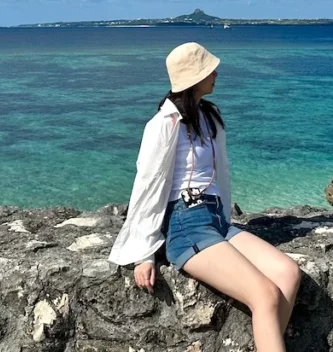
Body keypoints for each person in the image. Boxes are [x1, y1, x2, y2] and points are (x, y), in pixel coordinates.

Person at [108, 42, 302, 352]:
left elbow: (219, 173)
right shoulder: (163, 125)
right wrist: (144, 255)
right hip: (186, 226)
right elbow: (147, 185)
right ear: (193, 78)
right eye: (209, 69)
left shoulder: (209, 116)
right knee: (264, 294)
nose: (216, 73)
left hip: (215, 219)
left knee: (288, 274)